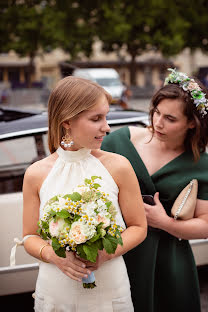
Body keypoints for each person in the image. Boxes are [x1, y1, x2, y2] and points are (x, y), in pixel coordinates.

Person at [22, 76, 147, 311]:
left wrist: (106, 254)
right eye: (96, 118)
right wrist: (54, 256)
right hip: (56, 291)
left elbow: (139, 228)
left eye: (106, 117)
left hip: (109, 288)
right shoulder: (35, 174)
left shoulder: (119, 166)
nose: (107, 127)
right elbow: (29, 237)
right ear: (67, 121)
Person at [102, 68, 208, 312]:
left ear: (192, 123)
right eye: (157, 113)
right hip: (116, 253)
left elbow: (204, 226)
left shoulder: (201, 165)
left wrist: (164, 222)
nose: (158, 123)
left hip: (167, 261)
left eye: (170, 119)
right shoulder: (120, 141)